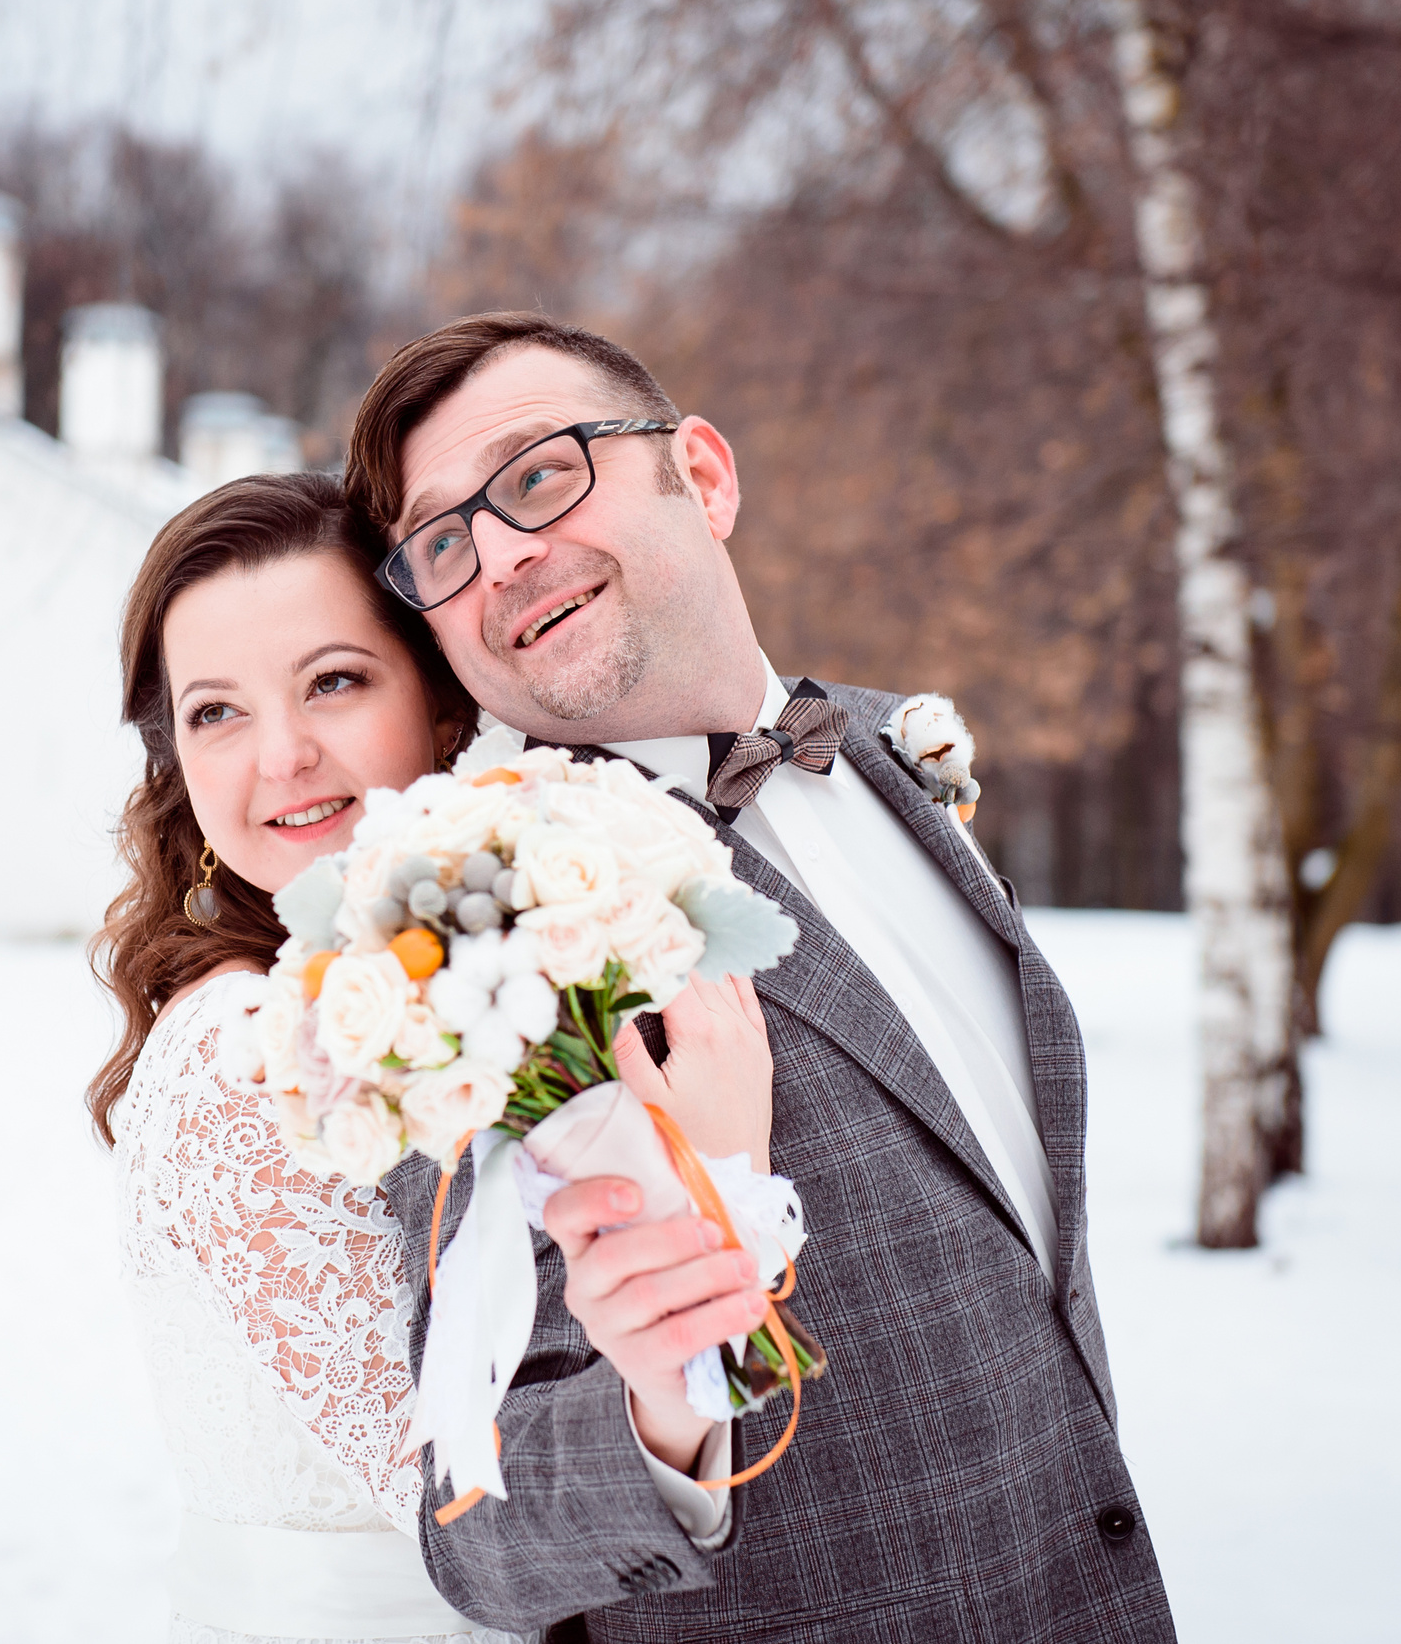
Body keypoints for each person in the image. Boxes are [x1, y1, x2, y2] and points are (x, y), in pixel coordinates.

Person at [344, 313, 1178, 1643]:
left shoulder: (896, 762)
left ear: (706, 476)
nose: (500, 552)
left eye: (541, 473)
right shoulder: (484, 934)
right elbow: (478, 1525)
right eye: (442, 542)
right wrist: (654, 1406)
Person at [88, 472, 777, 1644]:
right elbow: (460, 1497)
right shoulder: (239, 1045)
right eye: (215, 711)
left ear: (442, 703)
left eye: (335, 682)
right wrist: (718, 1167)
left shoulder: (434, 991)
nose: (282, 756)